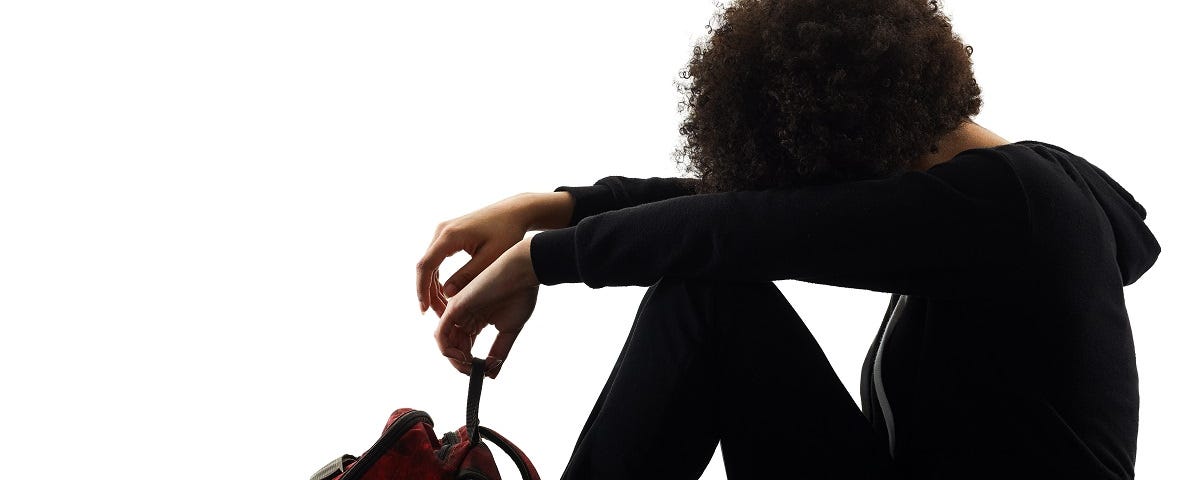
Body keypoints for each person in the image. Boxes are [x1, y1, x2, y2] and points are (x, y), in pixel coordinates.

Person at [414, 1, 1161, 478]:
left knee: (710, 294)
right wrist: (556, 209)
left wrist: (547, 258)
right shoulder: (993, 210)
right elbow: (734, 209)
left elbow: (745, 226)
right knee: (712, 292)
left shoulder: (1015, 202)